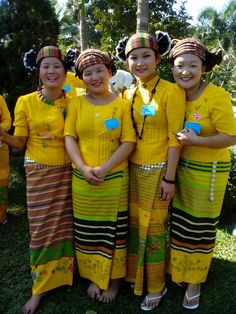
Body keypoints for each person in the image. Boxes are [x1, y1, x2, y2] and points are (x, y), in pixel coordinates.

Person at [0, 46, 74, 314]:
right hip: (39, 173)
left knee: (68, 225)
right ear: (38, 71)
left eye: (57, 66)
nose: (52, 71)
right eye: (46, 66)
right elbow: (19, 142)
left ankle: (66, 274)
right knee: (41, 229)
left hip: (71, 173)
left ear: (65, 71)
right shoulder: (25, 101)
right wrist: (2, 134)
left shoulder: (76, 100)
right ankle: (40, 287)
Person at [117, 32, 186, 311]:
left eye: (146, 56)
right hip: (132, 171)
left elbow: (175, 138)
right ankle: (136, 277)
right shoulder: (129, 92)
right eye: (133, 57)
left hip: (158, 172)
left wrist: (169, 178)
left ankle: (157, 285)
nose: (139, 62)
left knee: (155, 231)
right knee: (135, 228)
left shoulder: (172, 91)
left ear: (158, 58)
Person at [168, 38, 236, 310]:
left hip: (208, 172)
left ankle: (195, 279)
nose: (185, 71)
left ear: (203, 67)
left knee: (200, 226)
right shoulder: (174, 94)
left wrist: (197, 142)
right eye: (179, 65)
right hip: (180, 169)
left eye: (192, 65)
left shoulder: (215, 95)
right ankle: (180, 270)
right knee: (181, 222)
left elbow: (231, 137)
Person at [64, 48, 136, 303]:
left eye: (99, 71)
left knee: (114, 231)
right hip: (82, 180)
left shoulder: (122, 105)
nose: (94, 77)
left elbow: (128, 142)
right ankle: (95, 276)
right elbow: (69, 137)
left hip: (114, 179)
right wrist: (83, 168)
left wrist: (104, 169)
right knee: (88, 231)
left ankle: (114, 282)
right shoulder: (76, 103)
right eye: (88, 73)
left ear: (110, 72)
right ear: (81, 78)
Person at [0, 95, 11, 224]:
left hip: (1, 145)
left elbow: (7, 119)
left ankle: (1, 216)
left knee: (2, 180)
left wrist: (2, 128)